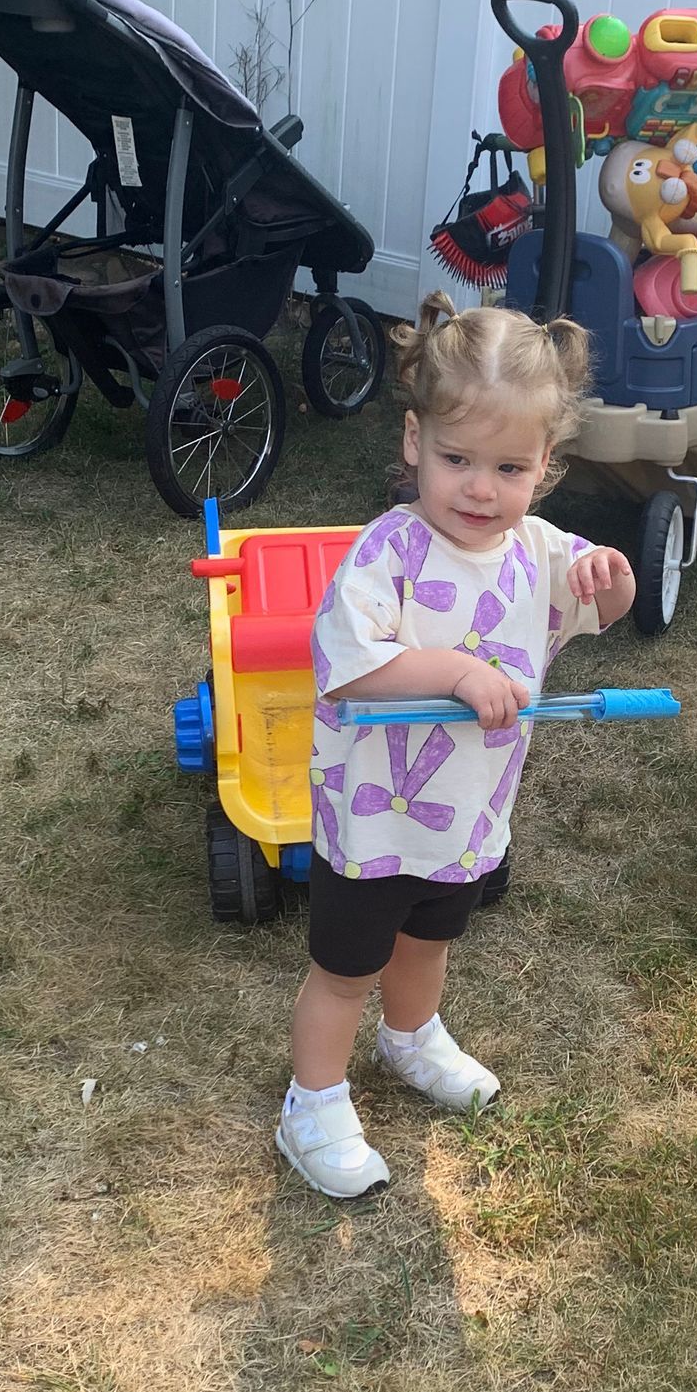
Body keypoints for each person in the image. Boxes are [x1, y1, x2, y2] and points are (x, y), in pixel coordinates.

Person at [277, 294, 635, 1197]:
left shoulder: (541, 552)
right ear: (413, 443)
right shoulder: (387, 552)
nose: (480, 488)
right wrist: (457, 670)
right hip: (373, 817)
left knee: (430, 936)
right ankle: (311, 1102)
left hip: (465, 810)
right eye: (457, 459)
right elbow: (351, 664)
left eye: (509, 466)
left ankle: (412, 1038)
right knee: (345, 966)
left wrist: (614, 580)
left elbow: (598, 611)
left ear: (547, 466)